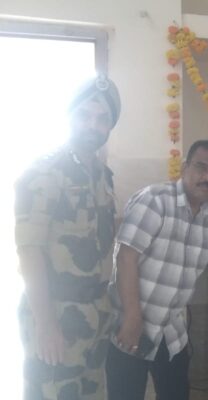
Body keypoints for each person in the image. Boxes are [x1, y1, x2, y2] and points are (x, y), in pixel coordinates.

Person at [105, 140, 208, 400]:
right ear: (185, 167)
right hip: (130, 325)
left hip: (172, 333)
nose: (207, 177)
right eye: (201, 167)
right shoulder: (154, 201)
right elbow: (125, 256)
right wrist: (132, 317)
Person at [14, 74, 121, 399]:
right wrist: (46, 325)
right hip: (57, 312)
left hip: (96, 312)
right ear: (69, 116)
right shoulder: (45, 172)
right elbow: (29, 251)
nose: (93, 125)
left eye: (102, 119)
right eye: (84, 115)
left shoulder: (103, 175)